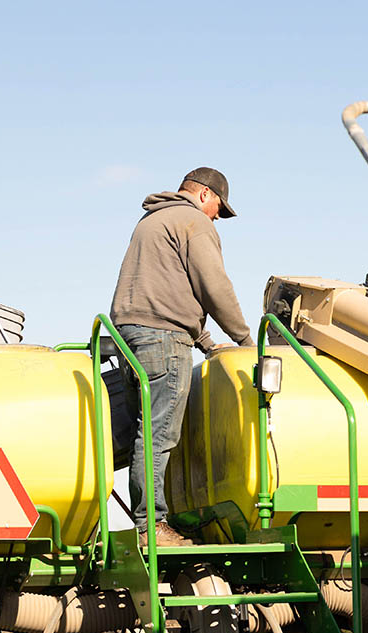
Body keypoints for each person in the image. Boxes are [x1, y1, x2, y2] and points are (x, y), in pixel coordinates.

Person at [109, 167, 254, 545]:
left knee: (142, 431)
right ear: (205, 195)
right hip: (163, 341)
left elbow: (167, 290)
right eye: (219, 210)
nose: (216, 218)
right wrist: (245, 340)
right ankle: (151, 528)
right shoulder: (193, 222)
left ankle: (146, 523)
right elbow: (214, 286)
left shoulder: (152, 221)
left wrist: (206, 343)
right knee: (158, 435)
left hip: (130, 338)